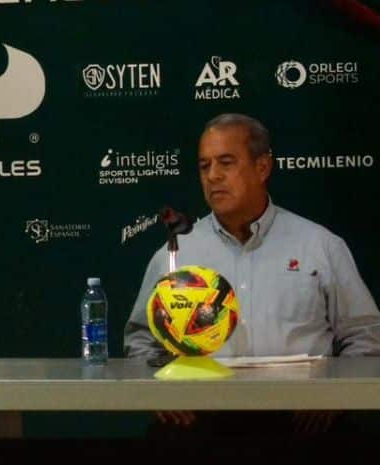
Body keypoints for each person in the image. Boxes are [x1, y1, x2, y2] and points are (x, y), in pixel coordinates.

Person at [124, 114, 380, 432]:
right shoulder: (176, 255)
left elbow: (365, 336)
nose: (213, 176)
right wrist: (160, 390)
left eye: (226, 163)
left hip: (305, 423)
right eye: (204, 166)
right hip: (201, 422)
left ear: (262, 167)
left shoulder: (320, 245)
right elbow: (142, 340)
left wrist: (334, 394)